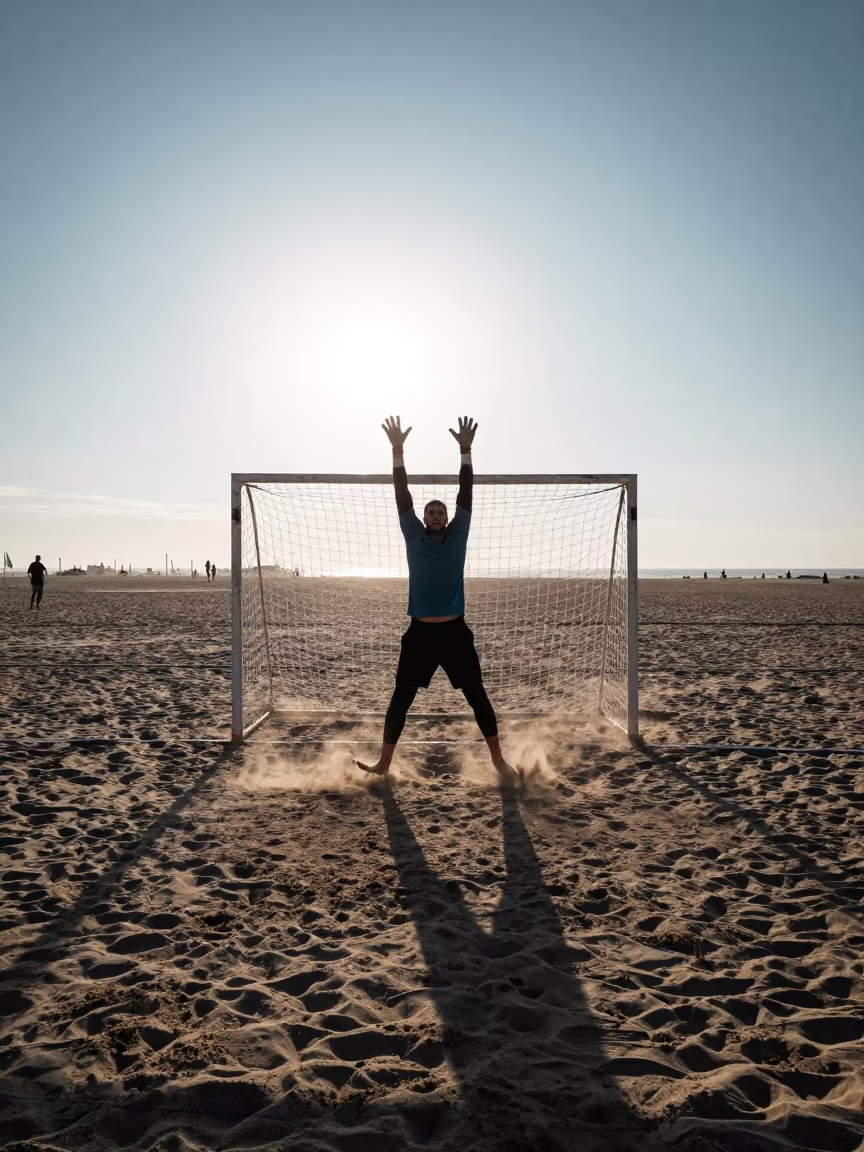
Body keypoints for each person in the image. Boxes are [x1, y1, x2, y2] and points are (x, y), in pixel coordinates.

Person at [357, 415, 512, 779]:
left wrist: (465, 451)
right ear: (425, 519)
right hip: (420, 634)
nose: (437, 515)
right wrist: (397, 451)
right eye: (432, 512)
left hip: (456, 633)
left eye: (441, 512)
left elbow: (466, 494)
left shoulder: (459, 535)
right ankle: (383, 764)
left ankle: (499, 762)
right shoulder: (413, 535)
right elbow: (402, 495)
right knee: (401, 698)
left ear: (448, 518)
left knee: (477, 696)